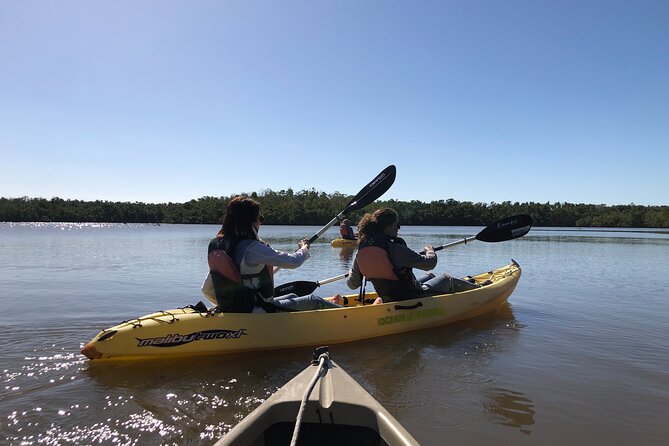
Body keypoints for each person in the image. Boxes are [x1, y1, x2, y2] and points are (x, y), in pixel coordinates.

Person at [204, 196, 341, 312]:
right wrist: (304, 248)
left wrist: (227, 308)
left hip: (239, 309)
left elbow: (206, 289)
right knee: (314, 300)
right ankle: (343, 315)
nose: (261, 222)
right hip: (255, 311)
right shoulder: (252, 247)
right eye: (260, 218)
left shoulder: (218, 246)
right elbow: (294, 261)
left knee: (292, 295)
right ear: (251, 221)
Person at [345, 208, 477, 304]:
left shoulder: (361, 252)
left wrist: (352, 271)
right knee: (447, 279)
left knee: (430, 276)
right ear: (388, 227)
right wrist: (430, 250)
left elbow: (353, 284)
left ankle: (468, 284)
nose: (398, 228)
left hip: (388, 298)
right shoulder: (394, 248)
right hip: (413, 298)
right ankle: (479, 290)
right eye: (397, 225)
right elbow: (429, 264)